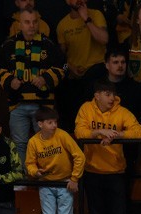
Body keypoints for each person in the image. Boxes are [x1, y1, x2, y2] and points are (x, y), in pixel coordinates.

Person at [74, 78, 141, 214]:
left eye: (113, 94)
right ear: (97, 95)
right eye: (107, 94)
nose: (112, 98)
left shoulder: (122, 111)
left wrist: (118, 134)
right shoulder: (86, 108)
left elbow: (139, 132)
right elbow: (79, 132)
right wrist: (99, 132)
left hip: (115, 171)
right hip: (92, 170)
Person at [0, 8, 65, 148]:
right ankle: (23, 165)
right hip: (17, 104)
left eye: (34, 22)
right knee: (19, 144)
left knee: (46, 144)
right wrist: (9, 81)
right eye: (27, 22)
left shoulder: (48, 44)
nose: (31, 25)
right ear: (19, 24)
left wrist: (45, 78)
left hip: (44, 105)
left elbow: (64, 66)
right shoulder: (8, 45)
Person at [26, 105, 86, 214]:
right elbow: (30, 164)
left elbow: (79, 156)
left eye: (55, 122)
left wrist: (74, 178)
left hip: (65, 183)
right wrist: (35, 172)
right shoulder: (33, 142)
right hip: (45, 183)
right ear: (40, 124)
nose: (54, 125)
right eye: (50, 122)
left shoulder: (62, 135)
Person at [57, 0, 110, 132]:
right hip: (74, 78)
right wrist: (70, 67)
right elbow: (60, 58)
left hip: (96, 73)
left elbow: (104, 39)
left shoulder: (96, 14)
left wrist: (86, 18)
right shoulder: (62, 25)